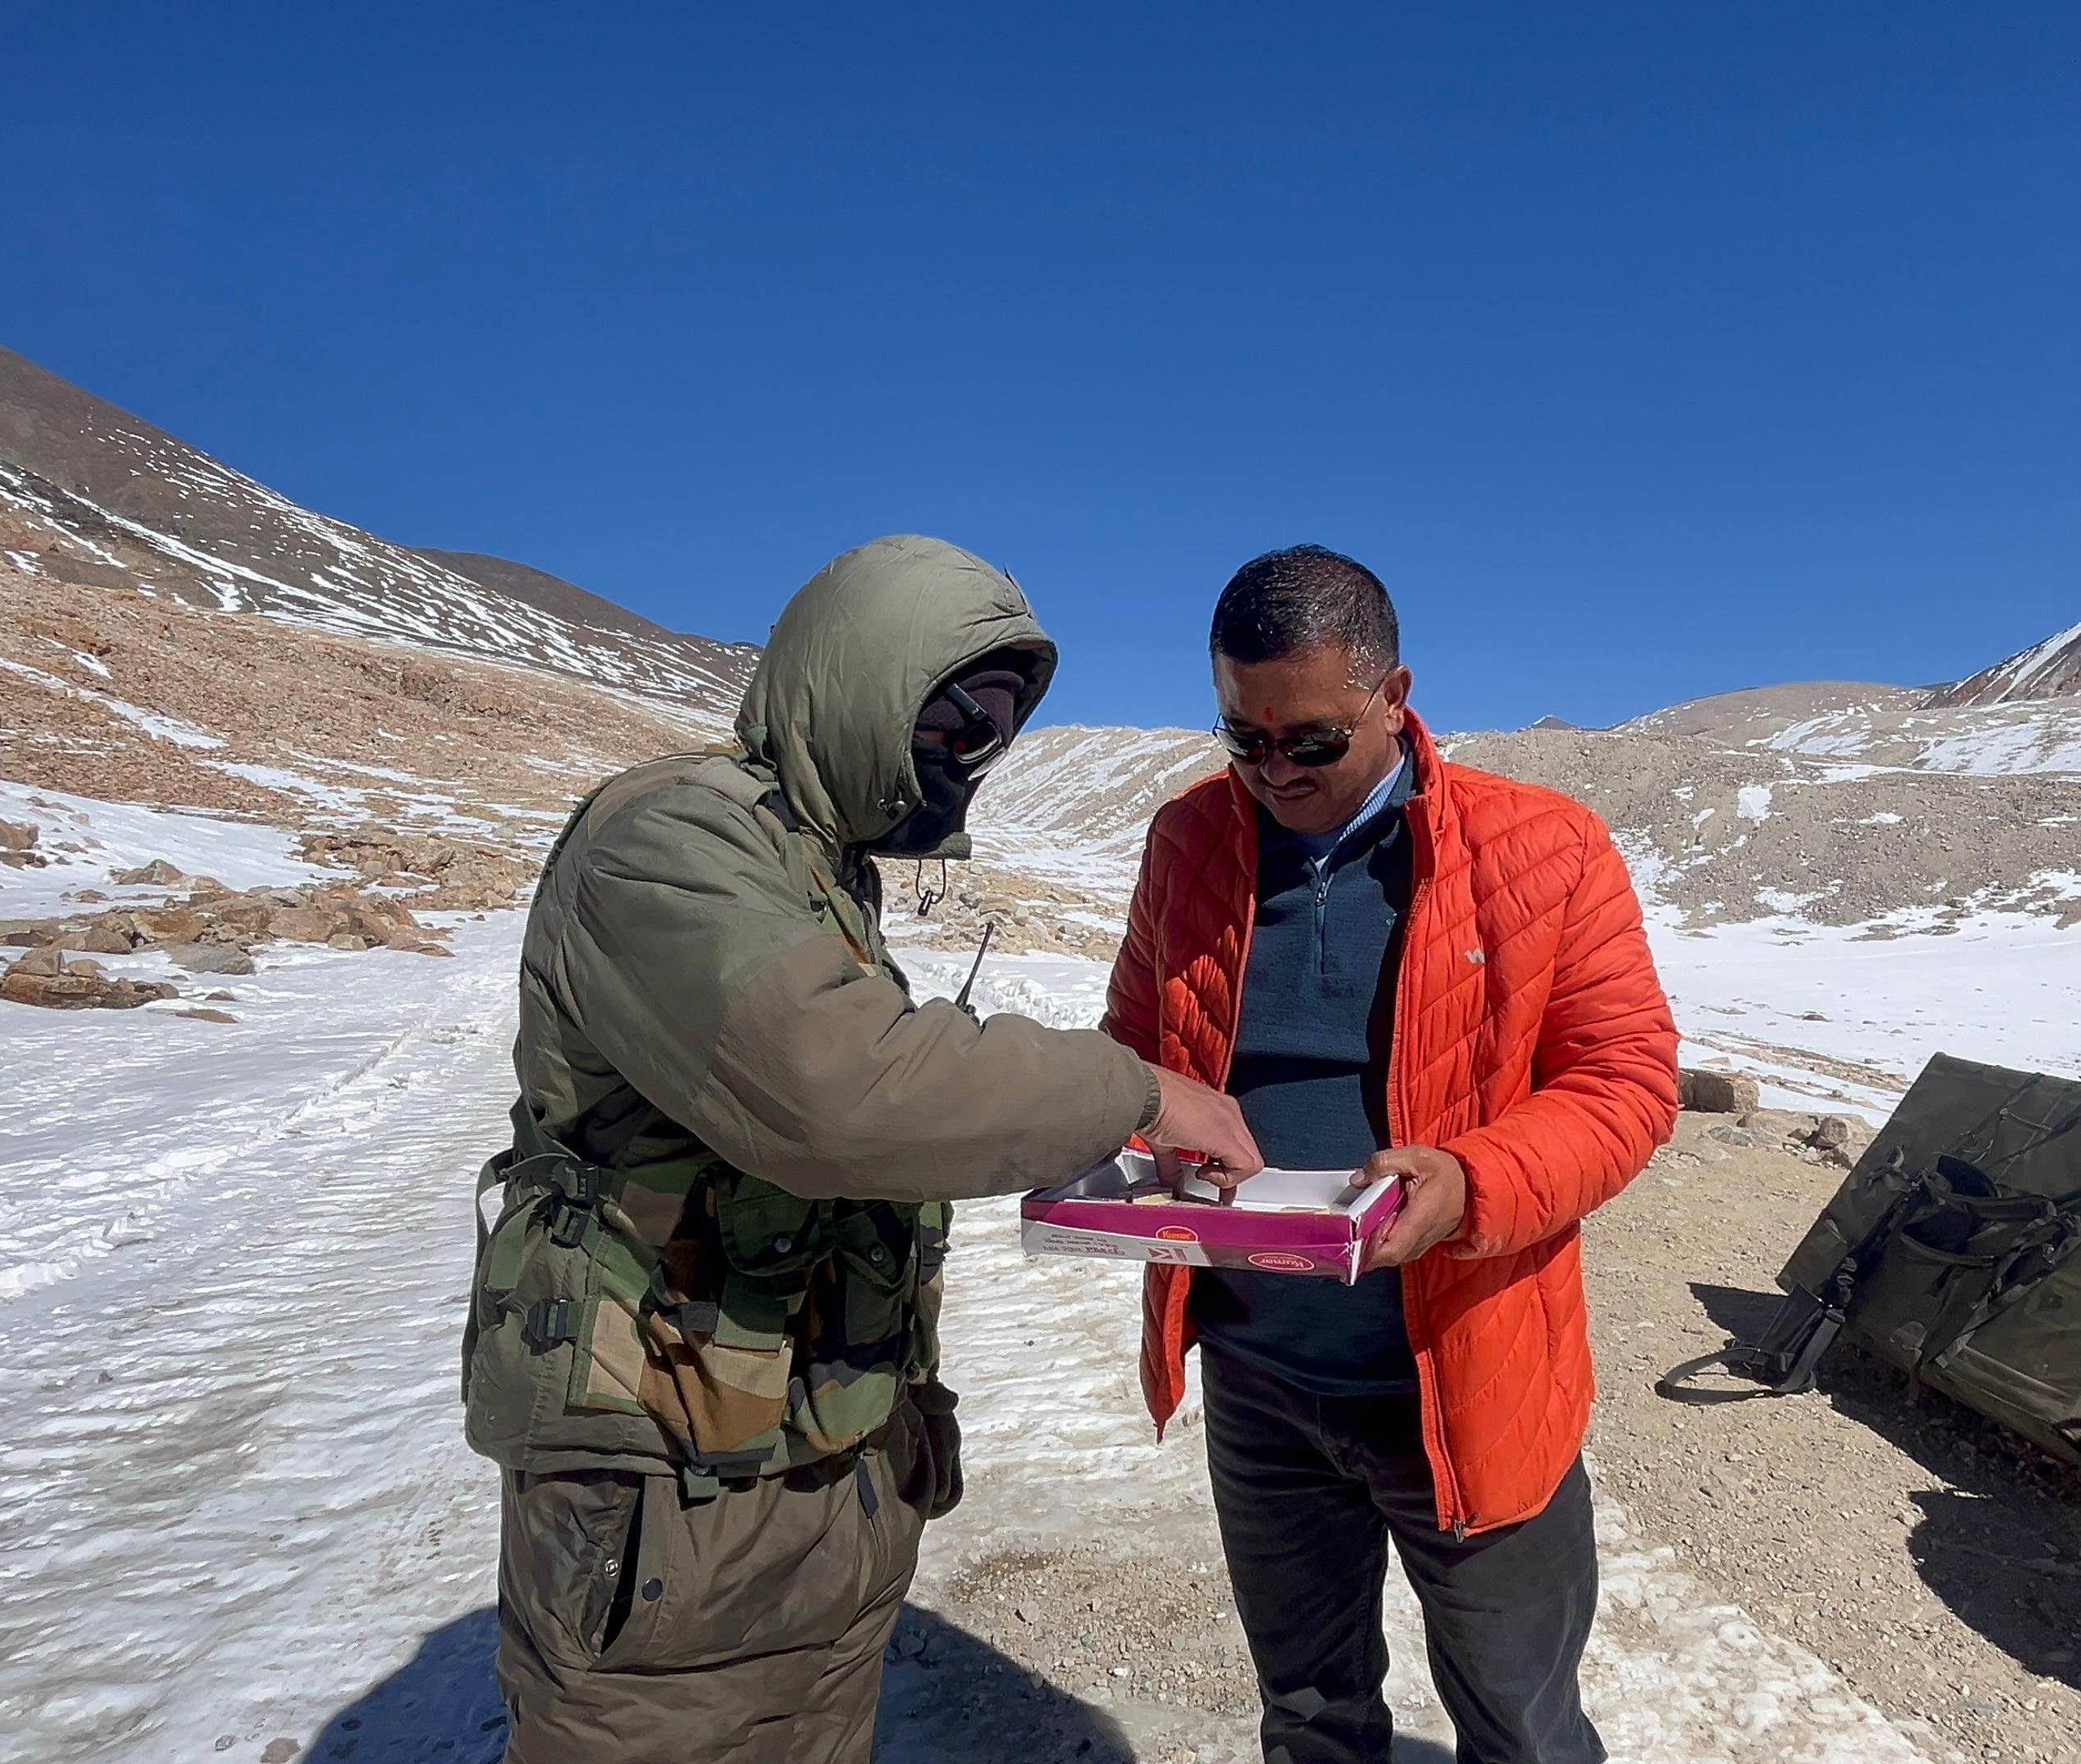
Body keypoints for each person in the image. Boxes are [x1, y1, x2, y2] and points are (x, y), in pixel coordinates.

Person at [465, 533, 1261, 1764]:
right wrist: (1136, 1091)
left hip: (798, 1463)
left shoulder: (812, 868)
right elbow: (842, 1091)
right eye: (952, 718)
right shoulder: (669, 841)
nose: (972, 757)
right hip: (673, 1489)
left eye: (995, 733)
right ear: (862, 686)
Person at [1103, 545, 1680, 1763]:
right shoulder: (1188, 842)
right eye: (1241, 740)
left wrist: (1474, 1183)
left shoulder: (1544, 848)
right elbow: (1133, 1047)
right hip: (1261, 1379)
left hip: (1464, 1374)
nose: (1274, 773)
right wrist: (1141, 1122)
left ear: (1396, 692)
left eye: (1310, 740)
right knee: (1309, 1713)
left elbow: (1626, 1082)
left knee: (1520, 1726)